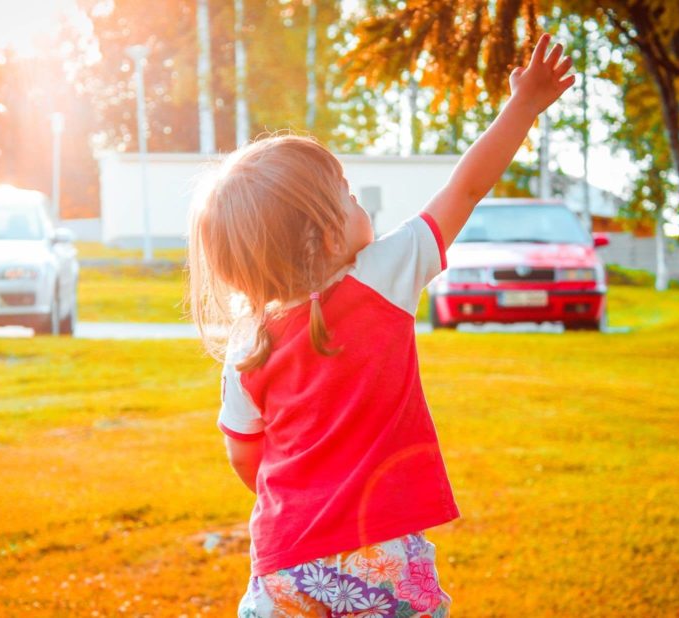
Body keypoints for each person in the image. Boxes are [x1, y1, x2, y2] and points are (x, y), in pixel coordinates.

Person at [187, 34, 574, 616]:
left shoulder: (249, 345)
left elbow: (245, 457)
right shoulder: (382, 278)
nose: (359, 202)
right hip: (381, 552)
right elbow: (466, 188)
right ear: (324, 233)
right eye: (346, 196)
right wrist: (522, 106)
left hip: (285, 562)